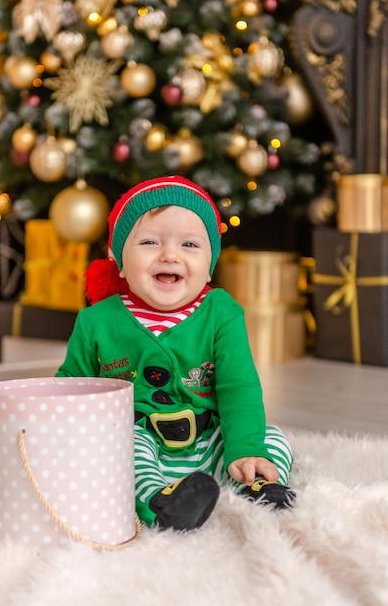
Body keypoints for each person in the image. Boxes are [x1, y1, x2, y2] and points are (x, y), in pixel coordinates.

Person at [56, 175, 295, 531]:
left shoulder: (221, 312)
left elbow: (238, 386)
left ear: (210, 262)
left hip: (207, 439)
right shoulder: (96, 321)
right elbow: (72, 385)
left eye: (190, 245)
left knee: (272, 437)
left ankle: (255, 483)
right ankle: (162, 502)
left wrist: (245, 448)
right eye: (150, 242)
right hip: (139, 440)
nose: (170, 255)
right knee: (123, 449)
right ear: (118, 259)